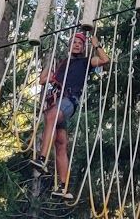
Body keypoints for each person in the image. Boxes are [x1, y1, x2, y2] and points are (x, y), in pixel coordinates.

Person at [35, 29, 110, 192]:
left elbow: (105, 60)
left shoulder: (85, 63)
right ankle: (63, 187)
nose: (77, 45)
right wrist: (50, 63)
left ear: (83, 48)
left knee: (51, 117)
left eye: (80, 44)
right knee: (61, 142)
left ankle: (42, 158)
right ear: (69, 46)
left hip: (69, 101)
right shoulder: (61, 64)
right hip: (57, 100)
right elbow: (43, 80)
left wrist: (96, 45)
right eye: (74, 43)